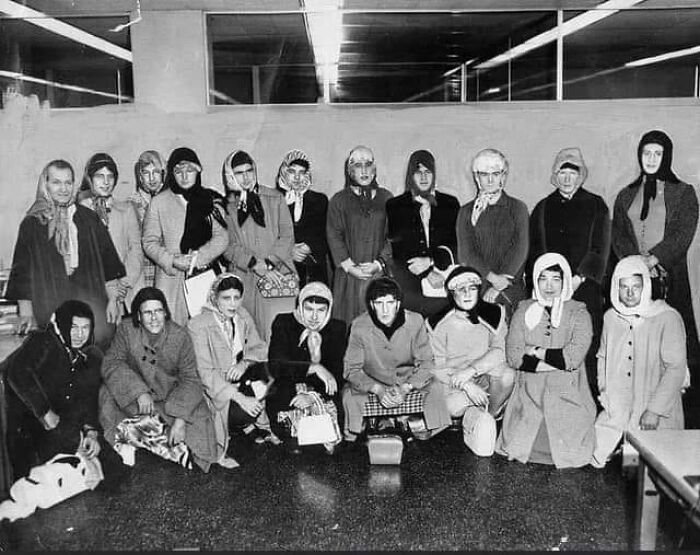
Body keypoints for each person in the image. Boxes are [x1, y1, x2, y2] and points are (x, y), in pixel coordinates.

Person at [3, 300, 126, 486]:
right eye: (73, 327)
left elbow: (88, 398)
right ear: (61, 325)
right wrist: (44, 411)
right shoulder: (43, 341)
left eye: (85, 328)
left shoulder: (86, 356)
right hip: (33, 429)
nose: (79, 334)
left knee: (116, 468)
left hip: (66, 427)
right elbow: (18, 372)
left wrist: (91, 432)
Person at [5, 159, 125, 349]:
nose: (63, 189)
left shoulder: (89, 218)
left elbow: (109, 265)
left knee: (96, 352)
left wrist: (114, 301)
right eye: (56, 182)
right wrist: (26, 312)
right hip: (50, 303)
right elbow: (23, 274)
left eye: (68, 183)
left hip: (90, 302)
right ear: (46, 184)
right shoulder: (33, 224)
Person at [611, 130, 700, 385]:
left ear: (666, 156)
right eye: (646, 153)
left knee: (671, 337)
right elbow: (619, 233)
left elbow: (683, 232)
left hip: (668, 274)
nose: (651, 158)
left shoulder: (683, 192)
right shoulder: (626, 194)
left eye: (657, 153)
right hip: (634, 278)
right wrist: (635, 263)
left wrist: (654, 259)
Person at [99, 287, 218, 472]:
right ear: (138, 316)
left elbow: (191, 379)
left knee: (200, 444)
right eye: (147, 312)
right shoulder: (126, 329)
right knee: (106, 394)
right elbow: (112, 363)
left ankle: (144, 436)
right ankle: (141, 437)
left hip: (170, 399)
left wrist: (180, 419)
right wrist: (139, 392)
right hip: (135, 401)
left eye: (158, 311)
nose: (154, 318)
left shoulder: (180, 336)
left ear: (165, 312)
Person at [496, 253, 595, 468]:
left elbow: (572, 359)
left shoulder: (579, 313)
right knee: (522, 443)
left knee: (568, 448)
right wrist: (555, 362)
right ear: (535, 280)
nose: (549, 286)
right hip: (529, 394)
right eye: (543, 278)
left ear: (565, 280)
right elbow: (514, 357)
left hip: (568, 393)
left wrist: (537, 351)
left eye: (556, 279)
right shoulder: (523, 310)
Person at [529, 147, 611, 403]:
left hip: (584, 287)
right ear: (555, 176)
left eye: (572, 173)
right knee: (554, 340)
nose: (567, 178)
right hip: (552, 289)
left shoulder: (596, 205)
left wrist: (577, 278)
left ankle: (589, 401)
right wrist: (548, 285)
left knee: (586, 341)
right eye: (562, 173)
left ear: (581, 175)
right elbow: (537, 251)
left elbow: (600, 246)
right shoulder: (543, 208)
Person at [592, 255, 689, 467]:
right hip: (618, 407)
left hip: (655, 409)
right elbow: (602, 356)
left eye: (636, 286)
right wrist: (605, 390)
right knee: (594, 454)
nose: (629, 293)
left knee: (649, 470)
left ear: (645, 285)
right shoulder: (611, 317)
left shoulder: (667, 317)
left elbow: (676, 369)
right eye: (623, 286)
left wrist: (654, 410)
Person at [342, 277, 451, 442]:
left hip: (408, 380)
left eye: (390, 303)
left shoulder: (415, 321)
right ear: (371, 305)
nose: (385, 310)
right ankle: (372, 427)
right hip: (372, 381)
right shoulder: (359, 326)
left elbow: (427, 363)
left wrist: (406, 388)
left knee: (435, 388)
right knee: (349, 396)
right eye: (379, 303)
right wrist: (377, 389)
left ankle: (416, 427)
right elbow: (351, 369)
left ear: (398, 304)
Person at [187, 273, 276, 469]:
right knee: (242, 411)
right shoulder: (198, 325)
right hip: (216, 390)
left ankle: (254, 423)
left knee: (269, 375)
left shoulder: (242, 315)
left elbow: (261, 348)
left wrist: (244, 363)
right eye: (226, 298)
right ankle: (240, 424)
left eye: (237, 297)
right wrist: (241, 398)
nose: (233, 304)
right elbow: (206, 374)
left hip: (241, 378)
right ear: (214, 298)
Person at [426, 266, 515, 453]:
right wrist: (466, 384)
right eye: (460, 289)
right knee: (451, 406)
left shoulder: (494, 313)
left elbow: (500, 350)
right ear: (451, 293)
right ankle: (475, 419)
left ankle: (488, 415)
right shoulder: (437, 323)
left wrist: (473, 370)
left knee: (508, 375)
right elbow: (436, 366)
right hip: (455, 381)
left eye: (472, 288)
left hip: (484, 375)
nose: (467, 293)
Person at [142, 147, 229, 326]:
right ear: (171, 174)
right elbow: (149, 242)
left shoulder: (210, 200)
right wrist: (172, 260)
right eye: (178, 171)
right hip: (171, 278)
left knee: (206, 328)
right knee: (173, 331)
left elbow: (222, 238)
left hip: (204, 274)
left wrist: (198, 259)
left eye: (189, 170)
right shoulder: (159, 202)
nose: (184, 176)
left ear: (198, 172)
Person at [222, 150, 296, 343]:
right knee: (247, 335)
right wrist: (256, 264)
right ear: (230, 175)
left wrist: (269, 264)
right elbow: (227, 246)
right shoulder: (225, 206)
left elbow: (287, 236)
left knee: (278, 334)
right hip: (244, 276)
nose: (246, 177)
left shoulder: (275, 198)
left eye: (249, 171)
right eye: (239, 173)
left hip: (277, 275)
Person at [266, 281, 347, 454]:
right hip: (287, 390)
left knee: (328, 445)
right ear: (300, 305)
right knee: (295, 444)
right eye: (309, 309)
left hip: (321, 393)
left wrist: (312, 397)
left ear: (329, 309)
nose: (314, 317)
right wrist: (314, 368)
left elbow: (337, 376)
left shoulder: (336, 328)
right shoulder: (284, 323)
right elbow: (277, 366)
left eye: (321, 310)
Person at [456, 148, 529, 319]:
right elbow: (466, 253)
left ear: (503, 176)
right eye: (484, 174)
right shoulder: (466, 212)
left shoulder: (517, 208)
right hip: (477, 283)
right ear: (476, 177)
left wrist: (500, 284)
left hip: (510, 283)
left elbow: (520, 248)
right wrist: (491, 278)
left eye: (495, 174)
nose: (490, 180)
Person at [386, 149, 460, 317]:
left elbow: (455, 244)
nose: (424, 177)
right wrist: (426, 273)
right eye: (418, 172)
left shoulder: (450, 204)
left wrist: (432, 263)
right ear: (410, 176)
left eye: (428, 172)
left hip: (443, 281)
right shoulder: (395, 206)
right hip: (410, 285)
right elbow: (398, 251)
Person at [327, 146, 393, 326]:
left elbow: (393, 236)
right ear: (350, 171)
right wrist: (350, 267)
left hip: (378, 273)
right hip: (348, 276)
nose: (363, 170)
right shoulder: (339, 200)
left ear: (374, 169)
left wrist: (378, 263)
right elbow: (334, 235)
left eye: (368, 164)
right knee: (349, 325)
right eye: (357, 165)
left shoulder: (387, 198)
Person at [79, 152, 145, 313]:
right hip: (93, 290)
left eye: (110, 176)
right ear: (90, 178)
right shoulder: (79, 212)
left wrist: (122, 283)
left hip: (125, 290)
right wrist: (108, 287)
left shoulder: (127, 209)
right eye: (100, 176)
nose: (106, 182)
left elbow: (136, 249)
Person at [275, 150, 330, 286]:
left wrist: (308, 246)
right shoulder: (273, 200)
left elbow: (327, 234)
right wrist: (289, 251)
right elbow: (268, 236)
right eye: (292, 172)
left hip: (313, 270)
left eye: (302, 172)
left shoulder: (320, 200)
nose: (297, 177)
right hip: (282, 270)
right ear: (284, 172)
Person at [130, 150, 167, 288]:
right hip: (142, 277)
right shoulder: (132, 205)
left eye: (156, 172)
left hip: (165, 275)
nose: (152, 178)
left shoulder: (168, 201)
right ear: (140, 177)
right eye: (146, 173)